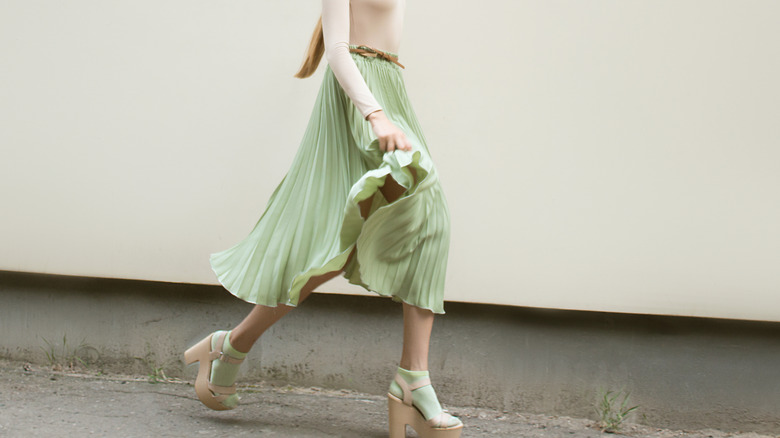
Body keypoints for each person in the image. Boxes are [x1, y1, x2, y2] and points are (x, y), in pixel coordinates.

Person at [184, 0, 463, 436]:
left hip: (389, 90)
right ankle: (232, 347)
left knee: (418, 224)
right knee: (341, 240)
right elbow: (337, 50)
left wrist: (384, 110)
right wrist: (373, 114)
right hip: (358, 103)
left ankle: (234, 346)